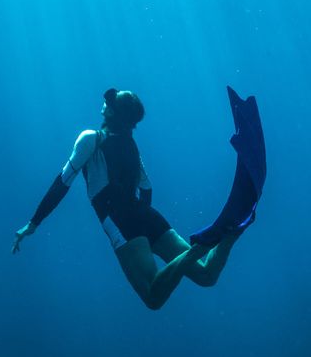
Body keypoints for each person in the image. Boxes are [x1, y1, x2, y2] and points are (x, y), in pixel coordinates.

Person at [13, 88, 245, 310]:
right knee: (206, 276)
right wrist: (145, 227)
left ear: (112, 112)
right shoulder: (131, 144)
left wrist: (34, 223)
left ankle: (198, 249)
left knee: (153, 297)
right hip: (145, 214)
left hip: (119, 218)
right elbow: (147, 188)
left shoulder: (91, 138)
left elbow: (62, 183)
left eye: (110, 101)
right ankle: (229, 234)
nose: (105, 102)